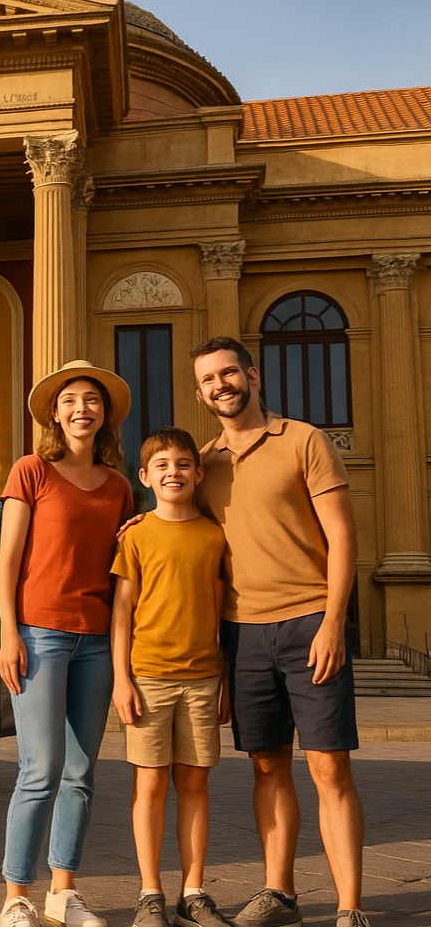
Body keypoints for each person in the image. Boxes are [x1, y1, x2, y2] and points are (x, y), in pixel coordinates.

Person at [191, 336, 367, 927]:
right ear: (200, 392)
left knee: (329, 767)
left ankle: (349, 909)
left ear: (253, 374)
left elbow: (342, 535)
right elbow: (182, 531)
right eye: (209, 379)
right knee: (267, 766)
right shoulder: (204, 462)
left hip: (309, 623)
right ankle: (280, 893)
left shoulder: (305, 440)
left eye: (229, 373)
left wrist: (334, 623)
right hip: (241, 635)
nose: (222, 384)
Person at [0, 360, 135, 927]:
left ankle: (64, 892)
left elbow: (123, 563)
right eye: (72, 400)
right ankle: (15, 898)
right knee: (40, 769)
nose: (83, 409)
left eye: (93, 401)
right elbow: (7, 560)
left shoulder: (120, 486)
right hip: (39, 633)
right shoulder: (32, 471)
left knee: (81, 773)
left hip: (98, 639)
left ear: (105, 416)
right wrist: (8, 632)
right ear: (55, 413)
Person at [109, 427, 235, 927]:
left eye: (183, 464)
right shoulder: (136, 535)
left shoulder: (214, 535)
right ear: (145, 477)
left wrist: (225, 676)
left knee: (196, 786)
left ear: (199, 474)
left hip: (204, 679)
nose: (173, 473)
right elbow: (121, 613)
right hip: (148, 679)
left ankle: (195, 891)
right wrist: (122, 678)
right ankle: (149, 893)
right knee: (149, 788)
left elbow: (226, 610)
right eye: (162, 466)